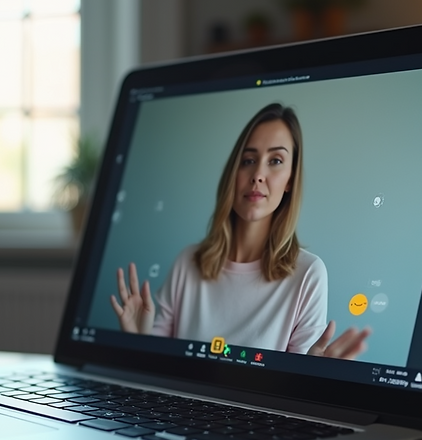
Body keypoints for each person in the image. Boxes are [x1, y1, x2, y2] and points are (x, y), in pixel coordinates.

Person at [111, 103, 370, 359]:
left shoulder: (308, 275)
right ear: (233, 172)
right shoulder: (187, 262)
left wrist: (311, 375)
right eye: (248, 160)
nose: (258, 174)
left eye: (275, 160)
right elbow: (155, 370)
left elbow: (294, 384)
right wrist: (138, 341)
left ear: (290, 180)